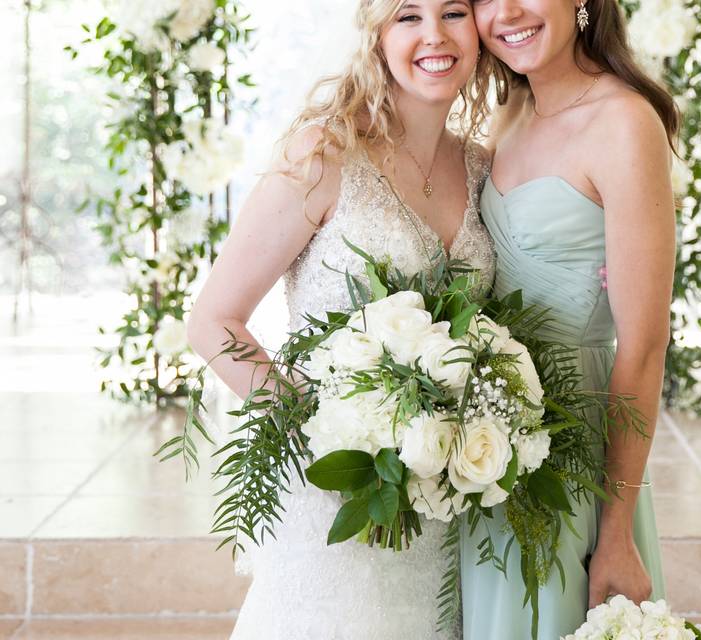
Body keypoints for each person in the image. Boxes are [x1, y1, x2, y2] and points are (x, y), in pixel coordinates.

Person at [185, 1, 496, 636]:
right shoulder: (325, 154)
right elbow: (214, 321)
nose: (433, 35)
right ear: (376, 34)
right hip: (337, 496)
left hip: (444, 506)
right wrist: (323, 434)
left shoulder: (485, 169)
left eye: (454, 12)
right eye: (407, 15)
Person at [460, 0, 679, 637]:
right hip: (486, 443)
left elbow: (644, 346)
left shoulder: (624, 123)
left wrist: (614, 533)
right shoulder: (513, 111)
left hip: (575, 451)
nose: (505, 13)